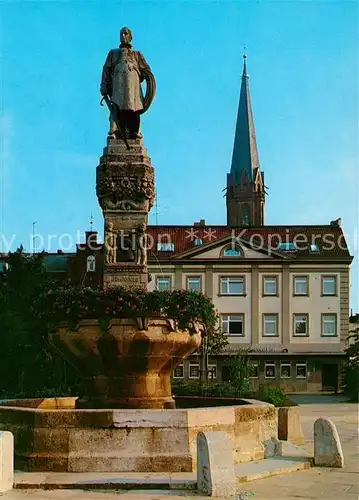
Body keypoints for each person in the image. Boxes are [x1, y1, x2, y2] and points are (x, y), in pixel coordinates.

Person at [100, 27, 155, 139]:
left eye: (125, 34)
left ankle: (136, 131)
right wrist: (104, 85)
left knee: (134, 108)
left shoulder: (137, 54)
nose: (123, 36)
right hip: (118, 85)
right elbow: (106, 69)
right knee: (116, 106)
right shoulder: (113, 53)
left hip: (133, 88)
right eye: (121, 34)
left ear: (130, 37)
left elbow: (147, 71)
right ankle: (113, 131)